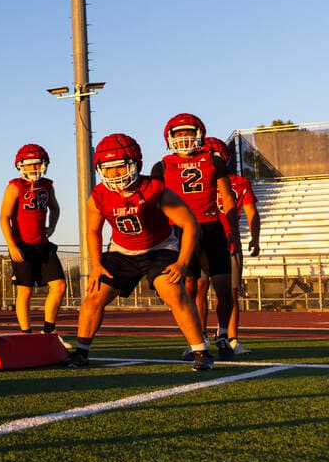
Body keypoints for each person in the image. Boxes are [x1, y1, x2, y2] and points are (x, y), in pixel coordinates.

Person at [65, 133, 214, 370]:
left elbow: (190, 224)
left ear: (136, 164)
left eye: (121, 167)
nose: (115, 174)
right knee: (94, 296)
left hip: (160, 248)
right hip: (121, 252)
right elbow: (93, 231)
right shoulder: (99, 196)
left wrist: (182, 262)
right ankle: (81, 352)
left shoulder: (155, 189)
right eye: (109, 169)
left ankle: (201, 351)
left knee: (173, 291)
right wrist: (96, 264)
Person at [149, 114, 239, 360]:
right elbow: (153, 204)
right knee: (191, 287)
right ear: (170, 138)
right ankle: (198, 338)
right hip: (179, 232)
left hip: (211, 227)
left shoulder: (214, 160)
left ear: (199, 134)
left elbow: (227, 197)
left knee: (223, 287)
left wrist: (234, 232)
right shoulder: (162, 166)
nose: (184, 138)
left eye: (188, 132)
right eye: (179, 134)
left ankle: (222, 335)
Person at [0, 144, 67, 338]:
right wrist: (12, 245)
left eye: (37, 164)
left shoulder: (47, 185)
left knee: (59, 286)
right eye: (29, 165)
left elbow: (55, 208)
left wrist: (52, 227)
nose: (33, 169)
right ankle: (26, 333)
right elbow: (4, 217)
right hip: (22, 245)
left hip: (43, 244)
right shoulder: (14, 186)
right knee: (25, 291)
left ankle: (49, 330)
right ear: (20, 166)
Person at [203, 136, 261, 356]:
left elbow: (252, 213)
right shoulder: (238, 182)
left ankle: (201, 340)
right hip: (225, 240)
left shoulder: (234, 182)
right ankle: (228, 338)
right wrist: (254, 239)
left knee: (201, 292)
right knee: (228, 294)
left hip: (207, 240)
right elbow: (252, 214)